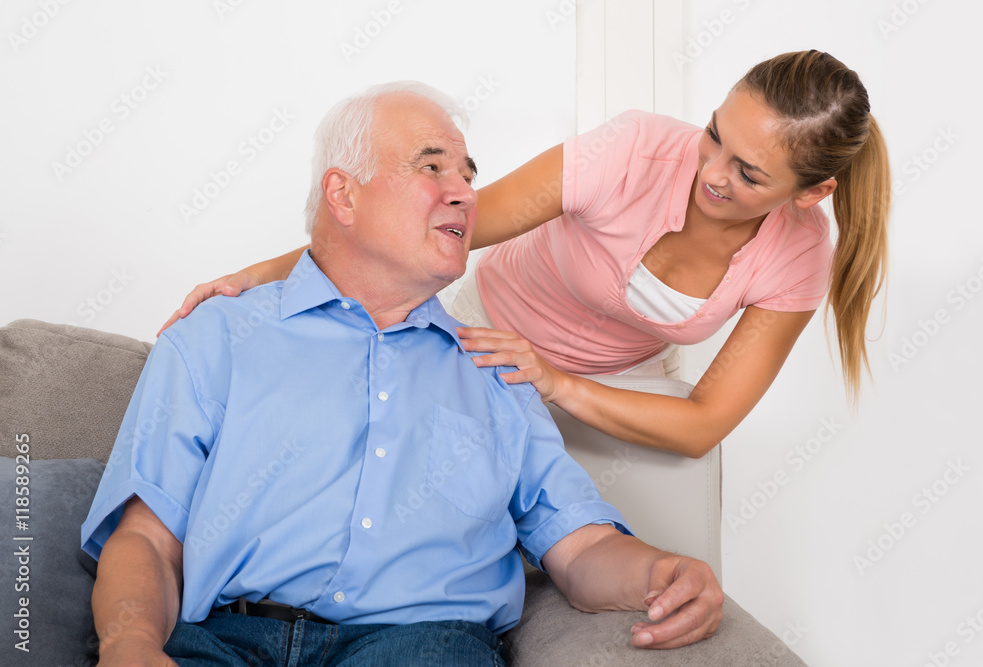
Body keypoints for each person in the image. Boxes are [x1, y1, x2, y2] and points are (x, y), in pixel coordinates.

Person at [82, 82, 723, 666]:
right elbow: (146, 538)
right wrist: (130, 645)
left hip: (420, 647)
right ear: (343, 195)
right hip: (225, 641)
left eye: (468, 174)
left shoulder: (497, 370)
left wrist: (661, 572)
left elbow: (579, 547)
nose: (464, 191)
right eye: (432, 166)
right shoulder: (215, 336)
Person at [160, 50, 890, 459]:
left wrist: (558, 384)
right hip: (483, 331)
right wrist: (254, 275)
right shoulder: (633, 150)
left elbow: (702, 424)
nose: (712, 173)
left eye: (749, 174)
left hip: (619, 383)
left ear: (812, 192)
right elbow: (432, 228)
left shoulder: (799, 256)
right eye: (714, 136)